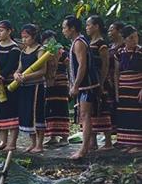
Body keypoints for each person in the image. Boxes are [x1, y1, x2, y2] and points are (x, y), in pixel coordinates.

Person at [62, 15, 100, 160]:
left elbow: (82, 65)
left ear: (72, 28)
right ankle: (88, 145)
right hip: (85, 85)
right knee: (84, 116)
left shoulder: (79, 43)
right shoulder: (77, 41)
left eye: (65, 28)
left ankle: (84, 149)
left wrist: (76, 85)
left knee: (85, 116)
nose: (63, 31)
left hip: (87, 85)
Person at [0, 20, 21, 151]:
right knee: (0, 113)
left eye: (1, 30)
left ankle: (12, 142)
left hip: (9, 85)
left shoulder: (14, 48)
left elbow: (10, 66)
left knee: (12, 113)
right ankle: (3, 141)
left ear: (9, 31)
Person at [13, 24, 47, 153]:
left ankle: (40, 144)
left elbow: (42, 71)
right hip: (24, 87)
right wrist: (16, 74)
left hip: (36, 86)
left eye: (26, 37)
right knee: (27, 114)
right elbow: (19, 68)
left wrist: (26, 76)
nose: (24, 40)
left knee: (37, 114)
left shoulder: (40, 50)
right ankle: (33, 143)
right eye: (22, 37)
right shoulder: (23, 51)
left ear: (33, 37)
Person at [86, 15, 113, 151]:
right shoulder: (89, 43)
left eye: (89, 25)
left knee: (102, 110)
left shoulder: (101, 44)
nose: (87, 28)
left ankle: (108, 141)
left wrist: (101, 82)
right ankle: (93, 141)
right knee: (92, 111)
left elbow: (105, 64)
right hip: (91, 81)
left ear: (96, 26)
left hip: (100, 81)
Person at [114, 25, 142, 153]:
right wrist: (117, 90)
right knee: (126, 115)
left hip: (137, 88)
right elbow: (116, 72)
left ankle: (138, 144)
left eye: (136, 37)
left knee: (137, 115)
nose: (135, 40)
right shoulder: (120, 53)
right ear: (124, 39)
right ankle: (128, 142)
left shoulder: (140, 52)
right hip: (124, 88)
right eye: (131, 38)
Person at [42, 30, 70, 146]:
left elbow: (69, 68)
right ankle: (52, 136)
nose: (50, 42)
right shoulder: (43, 53)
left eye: (52, 39)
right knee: (49, 108)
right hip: (48, 84)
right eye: (47, 40)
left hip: (61, 84)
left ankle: (64, 137)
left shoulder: (63, 53)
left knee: (62, 108)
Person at [107, 21, 125, 135]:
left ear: (119, 31)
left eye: (111, 30)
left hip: (121, 78)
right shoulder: (109, 47)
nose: (109, 32)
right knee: (111, 105)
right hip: (109, 81)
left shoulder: (124, 47)